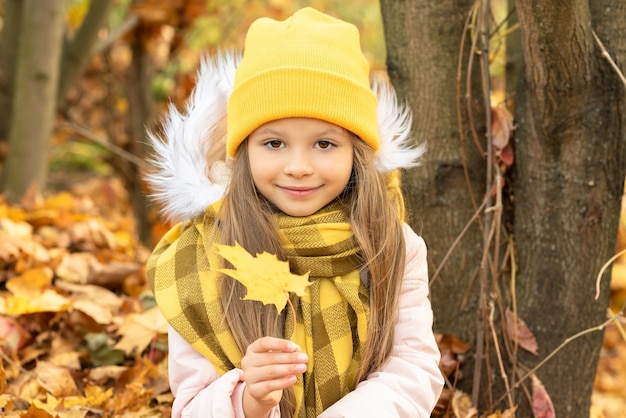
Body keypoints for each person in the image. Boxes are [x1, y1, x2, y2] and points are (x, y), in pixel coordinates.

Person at [146, 7, 443, 418]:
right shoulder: (202, 257)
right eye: (274, 143)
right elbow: (191, 404)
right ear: (244, 150)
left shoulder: (391, 242)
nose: (299, 166)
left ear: (356, 151)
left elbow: (413, 368)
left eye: (324, 144)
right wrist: (249, 400)